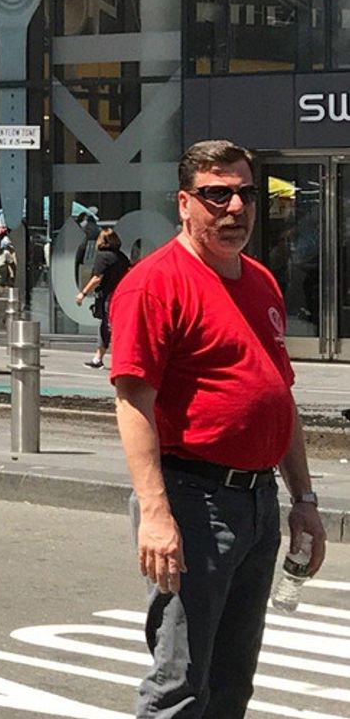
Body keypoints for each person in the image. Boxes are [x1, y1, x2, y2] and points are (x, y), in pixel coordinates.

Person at [111, 139, 325, 719]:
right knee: (180, 685)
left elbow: (279, 397)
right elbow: (133, 403)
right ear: (184, 203)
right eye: (216, 195)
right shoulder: (156, 283)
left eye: (245, 193)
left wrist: (302, 499)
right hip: (193, 500)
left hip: (256, 503)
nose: (235, 208)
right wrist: (155, 513)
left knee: (233, 685)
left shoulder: (260, 282)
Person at [76, 227, 130, 369]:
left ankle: (99, 359)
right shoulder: (123, 257)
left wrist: (83, 293)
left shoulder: (102, 256)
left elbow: (96, 278)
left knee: (106, 326)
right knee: (113, 326)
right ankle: (105, 358)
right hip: (122, 295)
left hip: (108, 296)